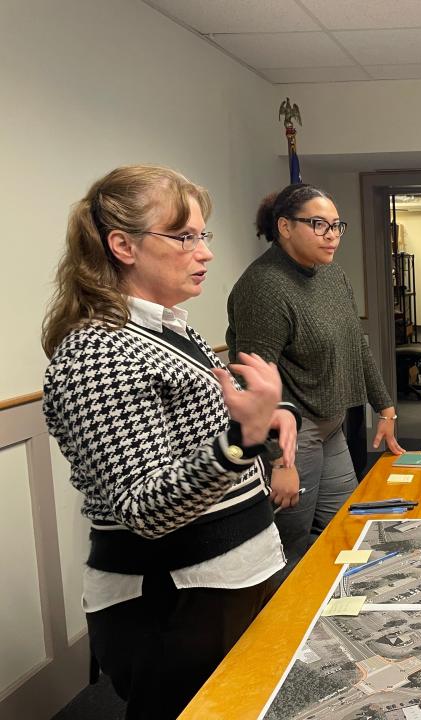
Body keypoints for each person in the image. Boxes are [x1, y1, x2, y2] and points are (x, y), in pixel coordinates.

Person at [41, 165, 300, 719]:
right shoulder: (96, 353)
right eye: (184, 237)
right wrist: (243, 439)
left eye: (202, 236)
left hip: (232, 577)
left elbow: (200, 435)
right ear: (122, 245)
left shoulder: (167, 329)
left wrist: (268, 421)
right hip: (173, 601)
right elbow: (145, 508)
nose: (204, 252)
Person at [227, 183, 403, 569]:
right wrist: (279, 461)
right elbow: (251, 382)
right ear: (285, 227)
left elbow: (357, 344)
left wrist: (385, 409)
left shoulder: (331, 275)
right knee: (289, 545)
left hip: (329, 424)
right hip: (294, 435)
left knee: (350, 525)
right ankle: (286, 625)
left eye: (337, 225)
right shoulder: (264, 287)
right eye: (319, 224)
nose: (332, 236)